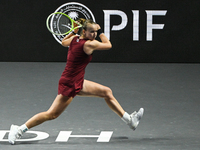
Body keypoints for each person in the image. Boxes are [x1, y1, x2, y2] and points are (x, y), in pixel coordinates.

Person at [8, 19, 144, 145]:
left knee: (106, 92)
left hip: (76, 80)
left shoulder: (74, 39)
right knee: (51, 114)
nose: (94, 34)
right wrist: (102, 32)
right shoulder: (90, 44)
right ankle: (19, 130)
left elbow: (63, 42)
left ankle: (129, 120)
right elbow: (108, 45)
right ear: (84, 32)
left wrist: (73, 31)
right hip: (70, 83)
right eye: (92, 31)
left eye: (95, 32)